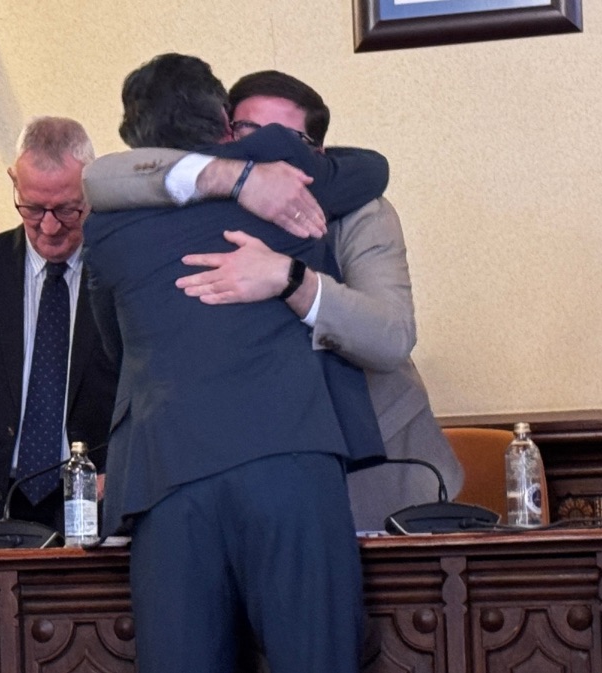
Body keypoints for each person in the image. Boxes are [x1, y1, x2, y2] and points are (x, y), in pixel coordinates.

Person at [83, 53, 388, 673]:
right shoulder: (281, 169)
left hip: (168, 478)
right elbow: (371, 169)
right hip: (288, 463)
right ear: (225, 119)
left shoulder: (107, 224)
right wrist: (250, 178)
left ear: (134, 137)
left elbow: (112, 345)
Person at [83, 69, 463, 530]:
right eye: (243, 132)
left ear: (317, 153)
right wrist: (238, 178)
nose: (259, 151)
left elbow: (390, 337)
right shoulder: (201, 195)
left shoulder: (361, 210)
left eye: (281, 138)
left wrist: (292, 280)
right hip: (246, 466)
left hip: (384, 470)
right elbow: (101, 176)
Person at [0, 116, 117, 545]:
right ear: (15, 183)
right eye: (32, 208)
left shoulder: (122, 275)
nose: (49, 226)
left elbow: (147, 393)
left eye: (67, 209)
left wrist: (121, 474)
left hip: (98, 511)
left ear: (92, 191)